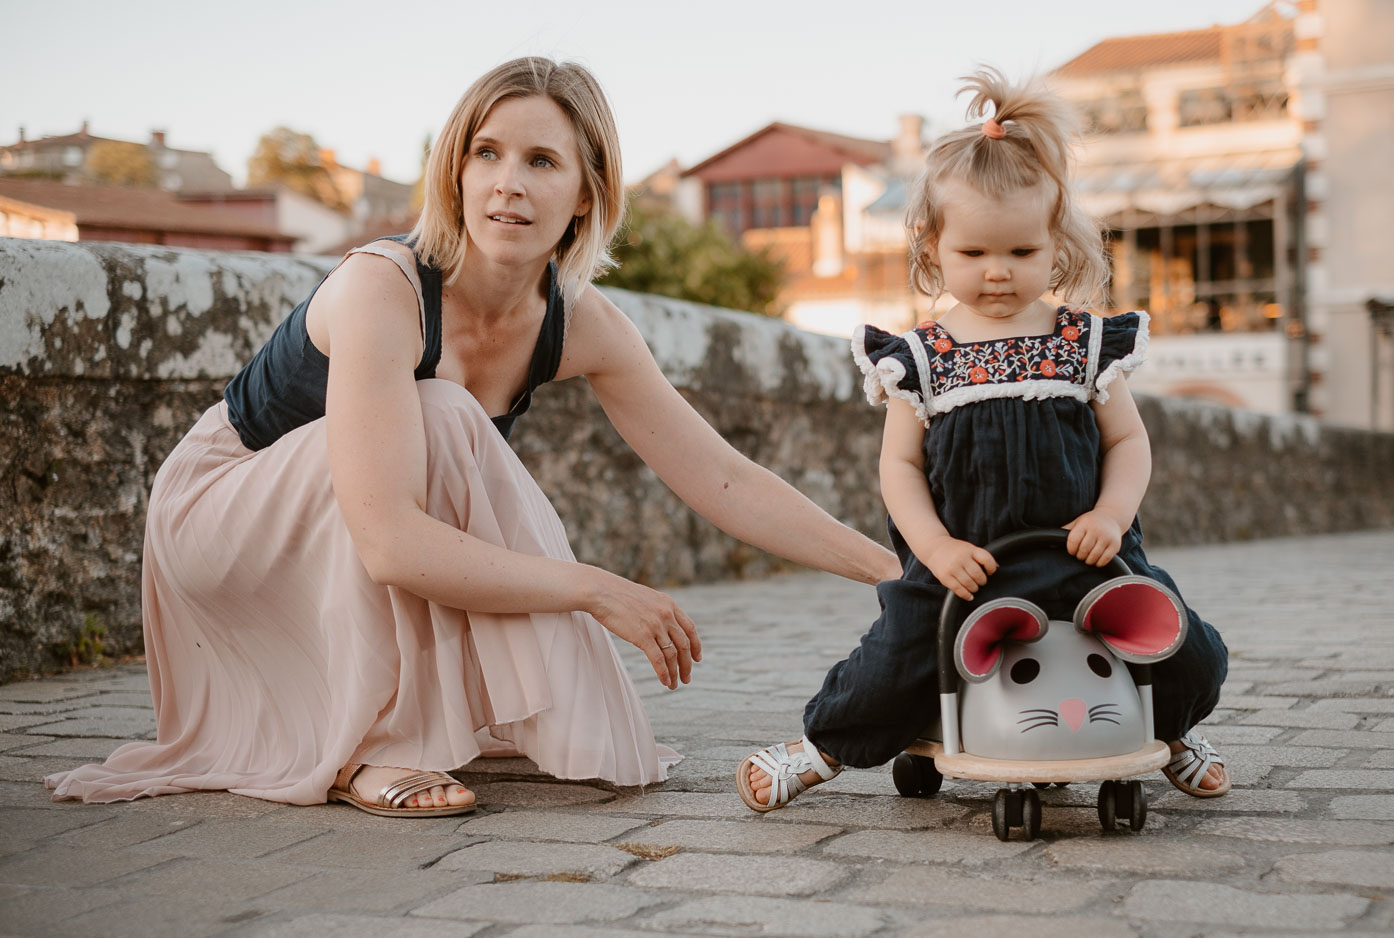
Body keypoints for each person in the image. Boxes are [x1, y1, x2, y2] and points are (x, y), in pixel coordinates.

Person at [45, 57, 899, 818]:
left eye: (540, 161)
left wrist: (901, 574)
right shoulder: (383, 288)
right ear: (453, 171)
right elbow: (387, 540)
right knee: (444, 410)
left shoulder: (581, 322)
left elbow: (722, 478)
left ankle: (396, 717)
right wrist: (595, 589)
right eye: (485, 153)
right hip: (220, 514)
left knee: (441, 417)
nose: (506, 184)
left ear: (587, 193)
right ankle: (371, 748)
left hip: (340, 529)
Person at [738, 69, 1230, 812]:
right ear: (934, 248)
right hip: (964, 567)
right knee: (897, 655)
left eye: (1022, 253)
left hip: (1082, 554)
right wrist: (933, 549)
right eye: (973, 255)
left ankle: (1168, 733)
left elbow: (1129, 442)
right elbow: (899, 466)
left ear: (1056, 245)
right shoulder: (922, 359)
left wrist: (1109, 516)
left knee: (1180, 643)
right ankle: (822, 748)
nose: (998, 272)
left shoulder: (1085, 345)